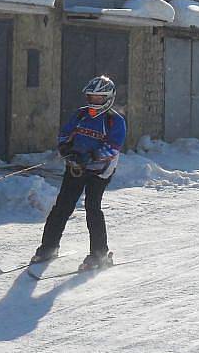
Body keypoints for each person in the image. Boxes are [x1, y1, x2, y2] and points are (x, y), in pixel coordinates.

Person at [30, 75, 127, 271]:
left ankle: (99, 254)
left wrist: (91, 156)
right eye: (91, 97)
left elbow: (112, 148)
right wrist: (65, 148)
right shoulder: (81, 115)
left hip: (100, 171)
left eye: (98, 98)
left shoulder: (114, 121)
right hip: (76, 167)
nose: (93, 101)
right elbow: (65, 134)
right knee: (62, 207)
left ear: (108, 98)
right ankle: (48, 247)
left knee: (92, 208)